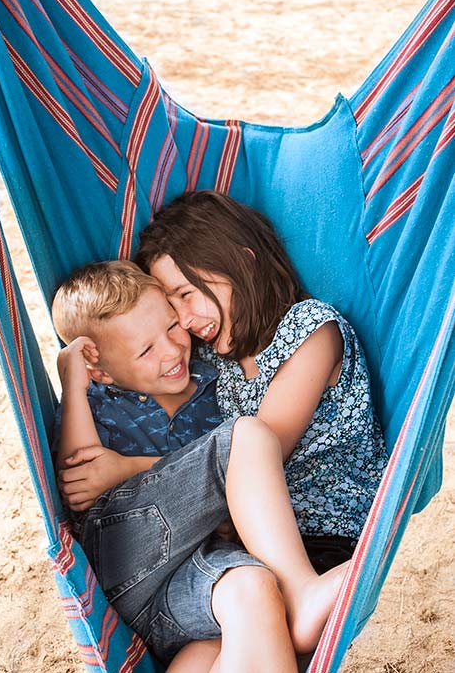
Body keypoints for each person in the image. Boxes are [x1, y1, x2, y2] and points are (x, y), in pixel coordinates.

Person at [52, 259, 347, 673]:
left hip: (182, 595)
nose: (172, 350)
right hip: (126, 558)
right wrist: (75, 386)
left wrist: (127, 467)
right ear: (98, 368)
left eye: (172, 327)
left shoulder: (214, 382)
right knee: (248, 436)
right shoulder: (99, 400)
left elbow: (234, 488)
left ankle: (279, 602)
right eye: (145, 349)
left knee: (254, 593)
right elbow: (81, 481)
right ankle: (301, 590)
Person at [136, 189, 389, 577]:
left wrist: (124, 469)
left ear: (243, 264)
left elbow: (260, 451)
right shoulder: (217, 356)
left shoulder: (312, 331)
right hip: (247, 548)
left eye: (187, 295)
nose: (184, 320)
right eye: (174, 307)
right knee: (208, 634)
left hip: (326, 542)